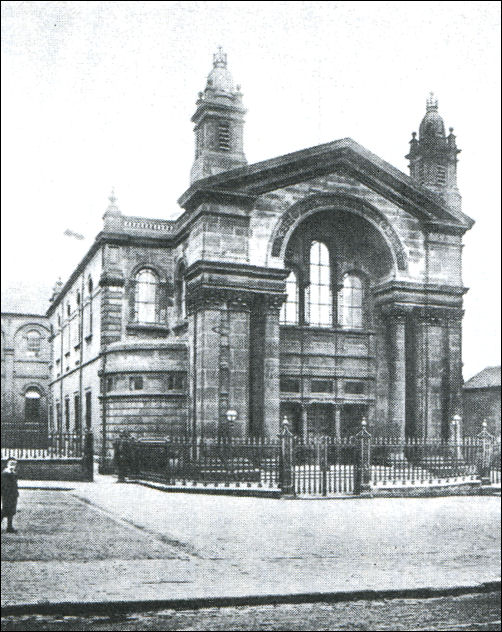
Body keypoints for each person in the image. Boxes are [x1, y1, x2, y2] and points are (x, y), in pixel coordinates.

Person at [1, 458, 19, 533]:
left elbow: (15, 485)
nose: (13, 465)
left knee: (11, 511)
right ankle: (9, 527)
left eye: (14, 464)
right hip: (6, 494)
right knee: (5, 510)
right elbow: (4, 485)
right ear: (7, 464)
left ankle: (9, 527)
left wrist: (16, 493)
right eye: (11, 464)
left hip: (13, 494)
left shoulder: (14, 473)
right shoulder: (5, 473)